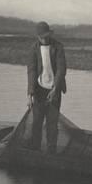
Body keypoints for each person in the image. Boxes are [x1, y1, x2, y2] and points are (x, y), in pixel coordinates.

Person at [26, 21, 67, 153]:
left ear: (49, 34)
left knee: (52, 124)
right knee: (37, 122)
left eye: (46, 36)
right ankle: (34, 150)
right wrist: (30, 93)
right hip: (39, 90)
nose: (44, 39)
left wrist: (55, 89)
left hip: (54, 90)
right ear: (38, 37)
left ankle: (51, 151)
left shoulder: (58, 47)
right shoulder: (33, 48)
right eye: (42, 37)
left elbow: (61, 69)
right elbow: (31, 70)